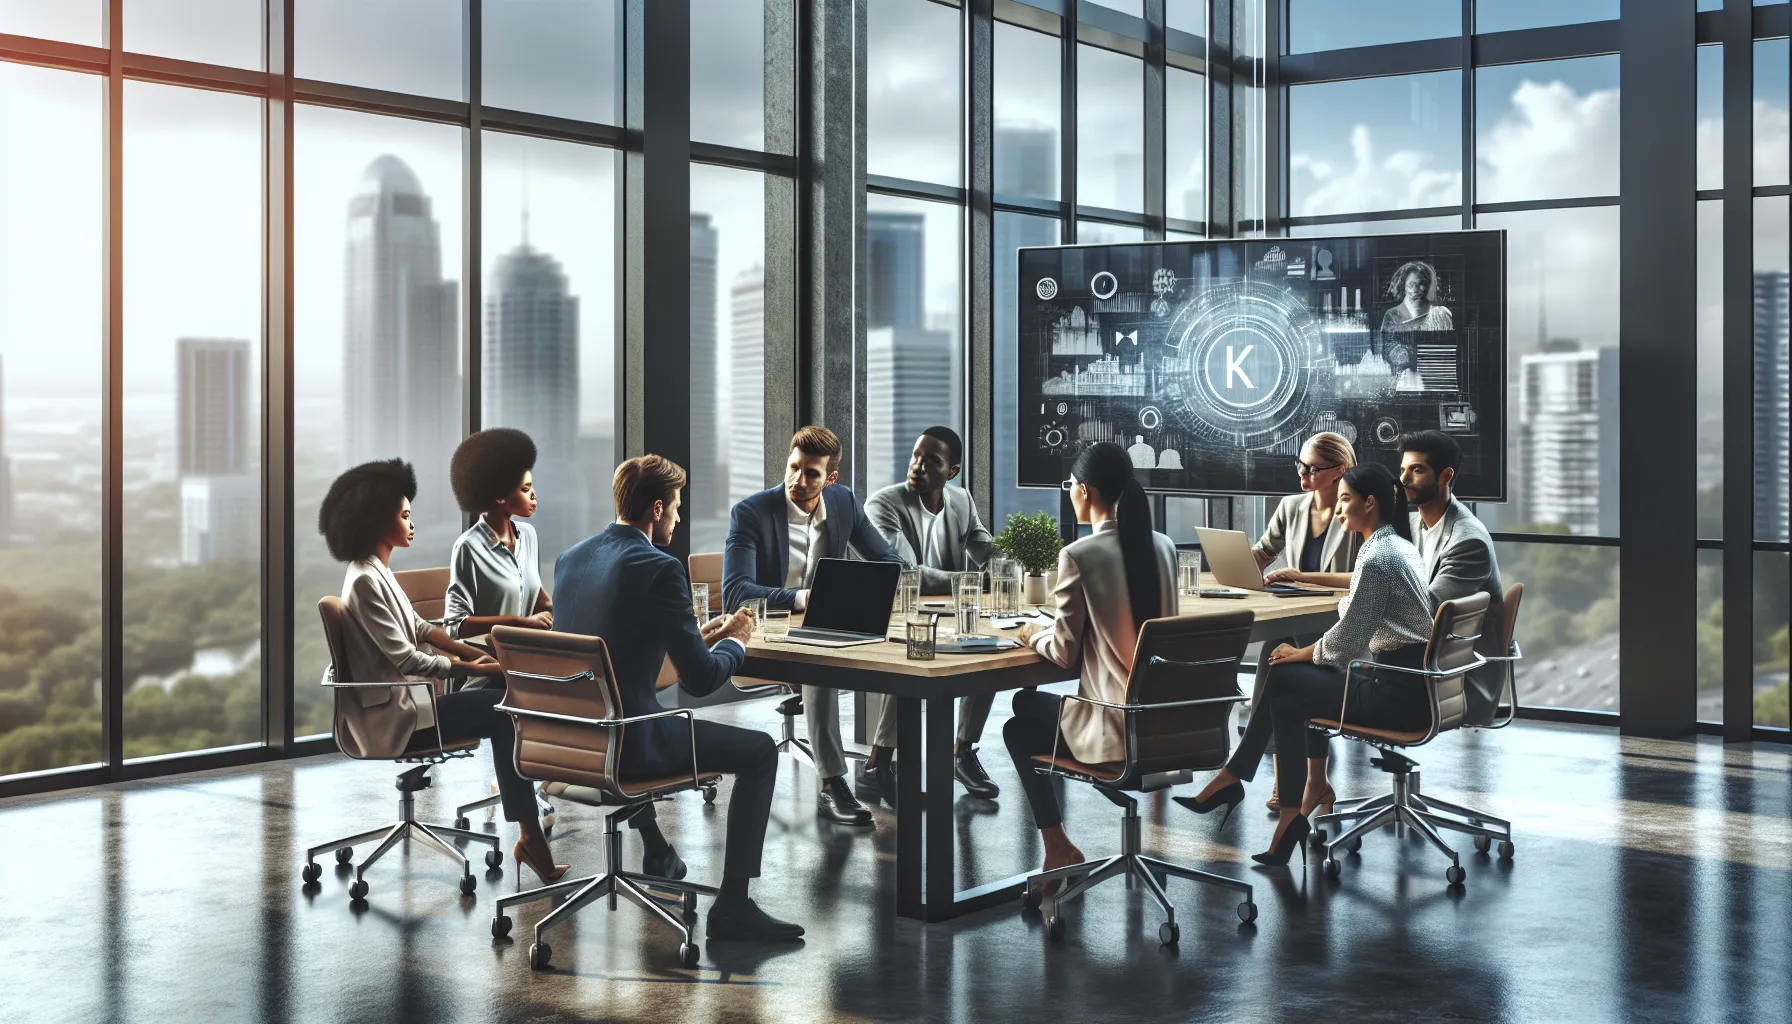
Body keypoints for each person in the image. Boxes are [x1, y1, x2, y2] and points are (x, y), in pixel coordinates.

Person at [552, 455, 802, 943]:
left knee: (661, 717)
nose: (679, 517)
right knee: (759, 751)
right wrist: (737, 642)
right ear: (657, 508)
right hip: (629, 743)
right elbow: (702, 680)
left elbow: (619, 658)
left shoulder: (571, 560)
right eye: (677, 508)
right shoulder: (658, 567)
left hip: (567, 742)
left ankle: (657, 848)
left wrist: (702, 638)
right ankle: (733, 907)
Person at [1175, 462, 1434, 866]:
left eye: (1345, 499)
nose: (1338, 508)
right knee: (1288, 697)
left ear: (1369, 503)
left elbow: (1346, 642)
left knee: (1284, 674)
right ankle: (1286, 816)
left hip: (1395, 696)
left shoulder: (1378, 558)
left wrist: (1299, 653)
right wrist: (1306, 581)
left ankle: (1237, 779)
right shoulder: (1398, 546)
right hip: (1413, 686)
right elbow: (1356, 601)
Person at [319, 459, 564, 884]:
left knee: (504, 685)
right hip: (397, 718)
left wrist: (472, 656)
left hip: (411, 703)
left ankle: (537, 798)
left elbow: (421, 628)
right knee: (504, 712)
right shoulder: (364, 580)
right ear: (378, 522)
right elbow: (407, 659)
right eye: (404, 515)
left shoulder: (375, 571)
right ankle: (531, 836)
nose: (412, 523)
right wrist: (467, 664)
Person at [1006, 442, 1178, 888]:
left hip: (1117, 731)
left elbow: (1064, 652)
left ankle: (1058, 847)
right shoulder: (1164, 547)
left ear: (1084, 489)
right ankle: (1059, 849)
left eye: (1069, 485)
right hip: (1171, 727)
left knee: (1020, 725)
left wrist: (1031, 632)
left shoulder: (1079, 555)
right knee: (1028, 705)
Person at [722, 426, 907, 827]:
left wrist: (880, 587)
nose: (798, 480)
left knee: (906, 649)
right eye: (794, 467)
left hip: (830, 620)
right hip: (771, 629)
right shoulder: (752, 513)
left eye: (811, 474)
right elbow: (736, 592)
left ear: (830, 478)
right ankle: (832, 783)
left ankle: (880, 759)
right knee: (820, 661)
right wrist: (805, 598)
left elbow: (888, 561)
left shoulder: (843, 503)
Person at [860, 427, 999, 805]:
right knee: (915, 651)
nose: (918, 466)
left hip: (949, 610)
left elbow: (987, 550)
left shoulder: (961, 500)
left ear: (951, 471)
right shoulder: (883, 504)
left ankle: (962, 753)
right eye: (916, 456)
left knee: (990, 649)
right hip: (895, 611)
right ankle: (877, 764)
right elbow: (905, 572)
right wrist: (972, 581)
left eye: (932, 461)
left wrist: (1013, 567)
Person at [1248, 431, 1362, 812]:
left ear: (1339, 471)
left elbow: (1366, 576)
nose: (1302, 476)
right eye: (1300, 466)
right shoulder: (1291, 507)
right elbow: (1263, 552)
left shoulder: (1356, 511)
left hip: (1342, 622)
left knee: (1282, 659)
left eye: (1312, 469)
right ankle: (1293, 780)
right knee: (1275, 654)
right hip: (1299, 616)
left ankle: (1299, 781)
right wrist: (1239, 567)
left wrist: (1303, 577)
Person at [1399, 430, 1506, 724]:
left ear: (1445, 476)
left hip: (1455, 681)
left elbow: (1425, 610)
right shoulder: (1412, 525)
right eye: (1403, 469)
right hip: (1424, 663)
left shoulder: (1468, 541)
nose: (1404, 479)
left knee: (1308, 681)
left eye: (1416, 470)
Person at [444, 428, 553, 644]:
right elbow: (455, 626)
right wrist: (521, 623)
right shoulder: (468, 547)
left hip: (526, 653)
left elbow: (536, 597)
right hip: (488, 659)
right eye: (525, 489)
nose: (534, 495)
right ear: (500, 495)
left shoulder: (528, 536)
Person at [1380, 260, 1454, 333]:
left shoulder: (1441, 314)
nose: (1415, 289)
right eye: (1410, 284)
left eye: (1421, 283)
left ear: (1427, 284)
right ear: (1403, 285)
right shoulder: (1392, 315)